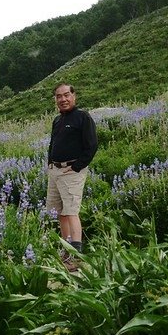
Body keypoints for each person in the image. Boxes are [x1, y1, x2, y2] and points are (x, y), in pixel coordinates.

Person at [46, 82, 98, 270]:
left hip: (71, 172)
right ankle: (66, 251)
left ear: (74, 96)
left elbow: (92, 145)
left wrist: (76, 167)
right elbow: (52, 144)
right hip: (55, 171)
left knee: (71, 211)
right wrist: (50, 164)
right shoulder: (57, 120)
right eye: (59, 96)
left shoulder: (83, 117)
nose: (63, 99)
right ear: (55, 100)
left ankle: (75, 256)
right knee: (59, 212)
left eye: (66, 95)